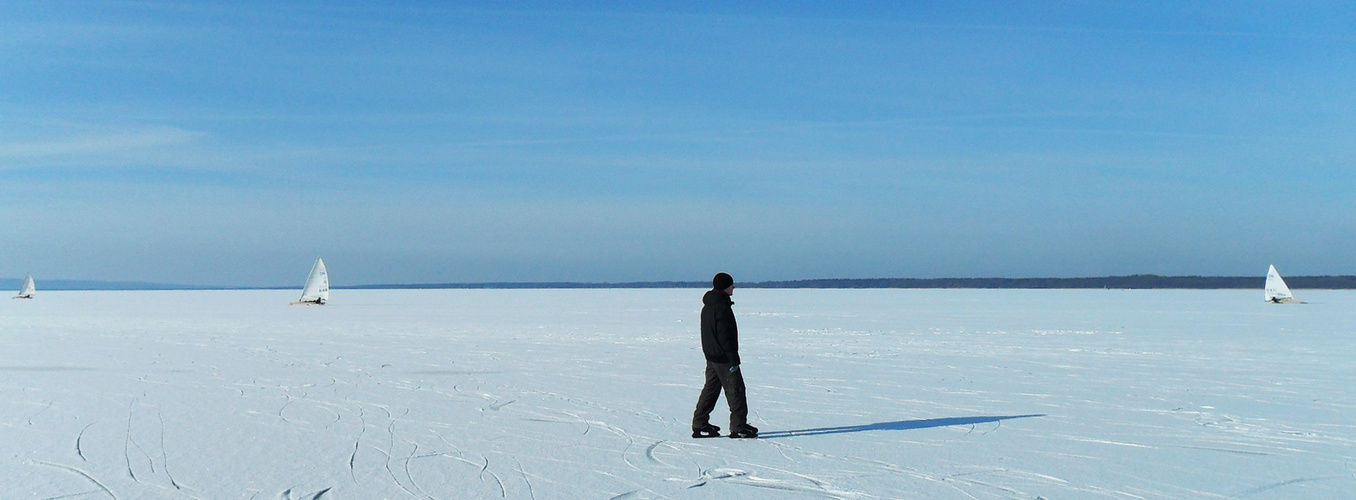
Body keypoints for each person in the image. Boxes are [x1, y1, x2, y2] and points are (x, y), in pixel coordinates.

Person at [691, 272, 758, 439]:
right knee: (736, 390)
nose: (734, 287)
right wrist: (733, 358)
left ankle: (700, 423)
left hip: (712, 356)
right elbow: (724, 335)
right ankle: (738, 426)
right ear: (725, 287)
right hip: (723, 357)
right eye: (731, 285)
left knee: (711, 390)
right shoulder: (721, 307)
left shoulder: (709, 306)